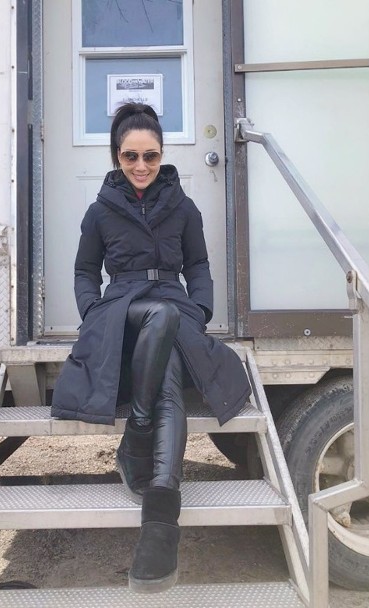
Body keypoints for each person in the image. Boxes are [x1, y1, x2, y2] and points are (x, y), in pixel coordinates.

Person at [51, 103, 252, 593]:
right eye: (130, 156)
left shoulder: (184, 207)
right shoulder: (100, 211)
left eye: (150, 156)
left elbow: (198, 265)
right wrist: (91, 312)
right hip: (122, 309)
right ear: (116, 156)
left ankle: (158, 515)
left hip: (173, 306)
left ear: (162, 154)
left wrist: (199, 310)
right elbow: (84, 271)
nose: (141, 166)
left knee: (169, 363)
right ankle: (141, 441)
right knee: (159, 318)